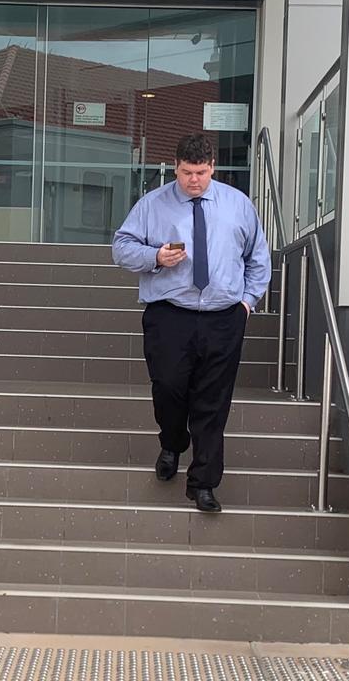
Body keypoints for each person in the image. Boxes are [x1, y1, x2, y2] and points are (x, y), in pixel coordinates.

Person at [112, 133, 272, 513]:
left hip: (223, 317)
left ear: (212, 166)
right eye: (186, 172)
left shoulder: (238, 205)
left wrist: (247, 303)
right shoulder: (153, 205)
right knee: (168, 388)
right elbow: (121, 247)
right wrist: (154, 256)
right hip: (170, 315)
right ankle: (172, 442)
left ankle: (203, 483)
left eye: (201, 172)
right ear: (175, 166)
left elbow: (258, 258)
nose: (194, 180)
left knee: (213, 403)